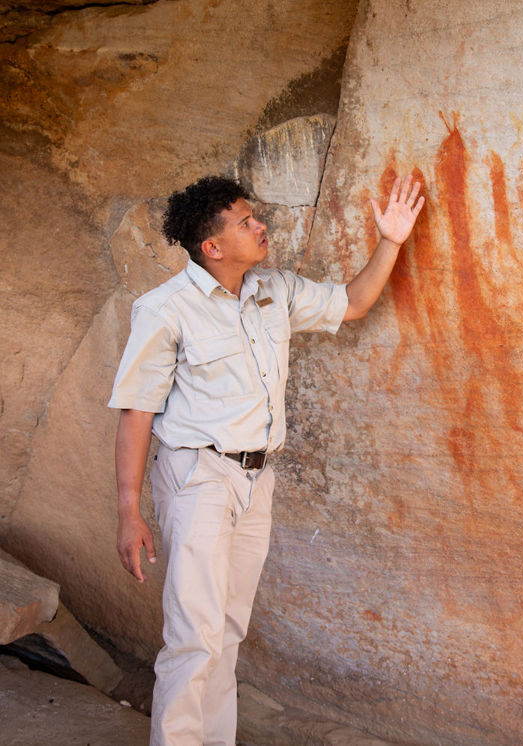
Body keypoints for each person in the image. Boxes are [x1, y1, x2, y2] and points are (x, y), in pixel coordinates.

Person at [108, 172, 423, 746]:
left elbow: (352, 303)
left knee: (227, 630)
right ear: (213, 247)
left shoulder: (271, 289)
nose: (261, 227)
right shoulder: (165, 309)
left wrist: (392, 241)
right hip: (197, 474)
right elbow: (136, 412)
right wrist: (129, 512)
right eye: (246, 223)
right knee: (194, 634)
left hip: (256, 478)